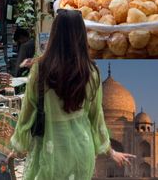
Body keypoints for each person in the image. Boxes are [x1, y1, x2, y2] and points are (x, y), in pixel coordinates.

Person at [8, 9, 135, 180]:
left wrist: (17, 147)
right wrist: (110, 152)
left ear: (54, 34)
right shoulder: (91, 72)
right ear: (82, 35)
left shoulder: (40, 69)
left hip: (50, 153)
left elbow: (27, 113)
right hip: (82, 154)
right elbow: (96, 119)